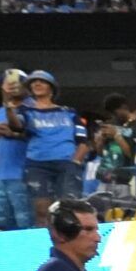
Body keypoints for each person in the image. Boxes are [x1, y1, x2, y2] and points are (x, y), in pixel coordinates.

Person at [20, 70, 87, 225]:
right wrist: (9, 107)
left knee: (69, 209)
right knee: (41, 209)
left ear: (51, 88)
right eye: (33, 82)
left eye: (42, 81)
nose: (37, 84)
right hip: (37, 164)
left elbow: (83, 141)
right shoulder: (25, 111)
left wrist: (75, 162)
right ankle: (44, 244)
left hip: (66, 163)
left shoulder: (69, 112)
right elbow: (16, 125)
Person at [0, 71, 32, 231]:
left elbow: (39, 138)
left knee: (26, 224)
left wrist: (13, 133)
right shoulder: (0, 111)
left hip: (24, 176)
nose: (13, 86)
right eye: (8, 83)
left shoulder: (33, 108)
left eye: (18, 82)